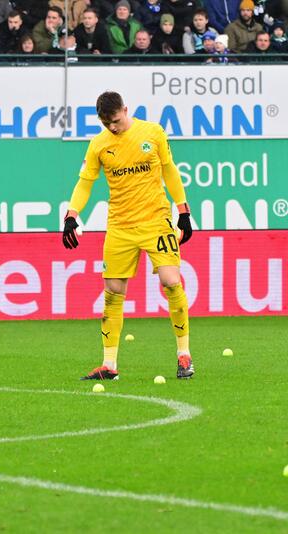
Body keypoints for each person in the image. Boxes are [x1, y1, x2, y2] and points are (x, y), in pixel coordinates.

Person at [63, 91, 195, 381]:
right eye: (106, 123)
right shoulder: (98, 145)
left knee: (171, 282)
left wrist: (183, 210)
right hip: (120, 226)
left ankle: (184, 355)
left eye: (115, 120)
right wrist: (72, 214)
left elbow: (170, 171)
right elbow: (85, 183)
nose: (112, 127)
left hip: (156, 221)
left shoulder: (153, 132)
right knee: (112, 293)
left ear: (125, 110)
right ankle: (109, 364)